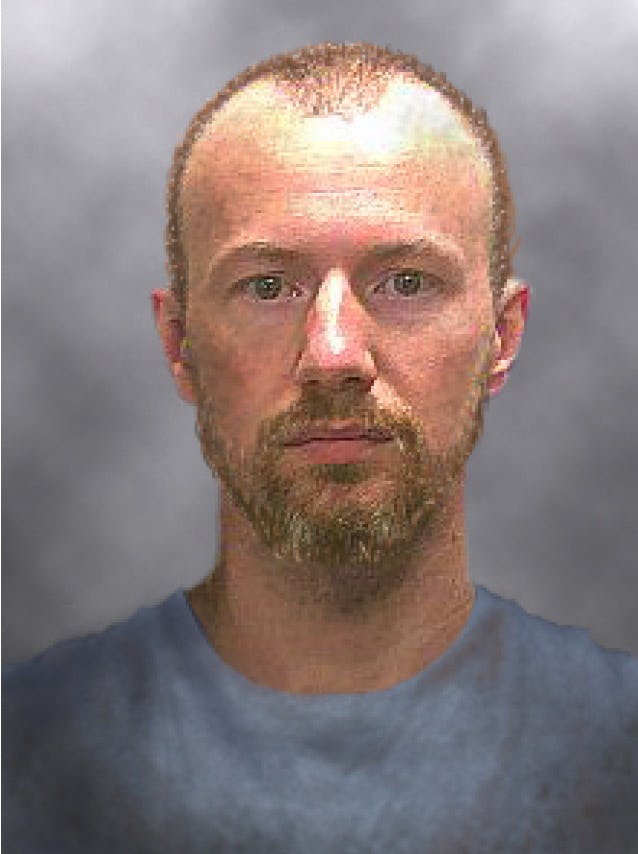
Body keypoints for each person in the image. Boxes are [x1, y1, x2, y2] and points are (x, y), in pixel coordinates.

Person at [3, 41, 637, 853]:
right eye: (269, 286)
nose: (334, 354)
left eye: (406, 282)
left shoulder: (621, 752)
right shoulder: (23, 761)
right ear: (179, 343)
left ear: (501, 338)